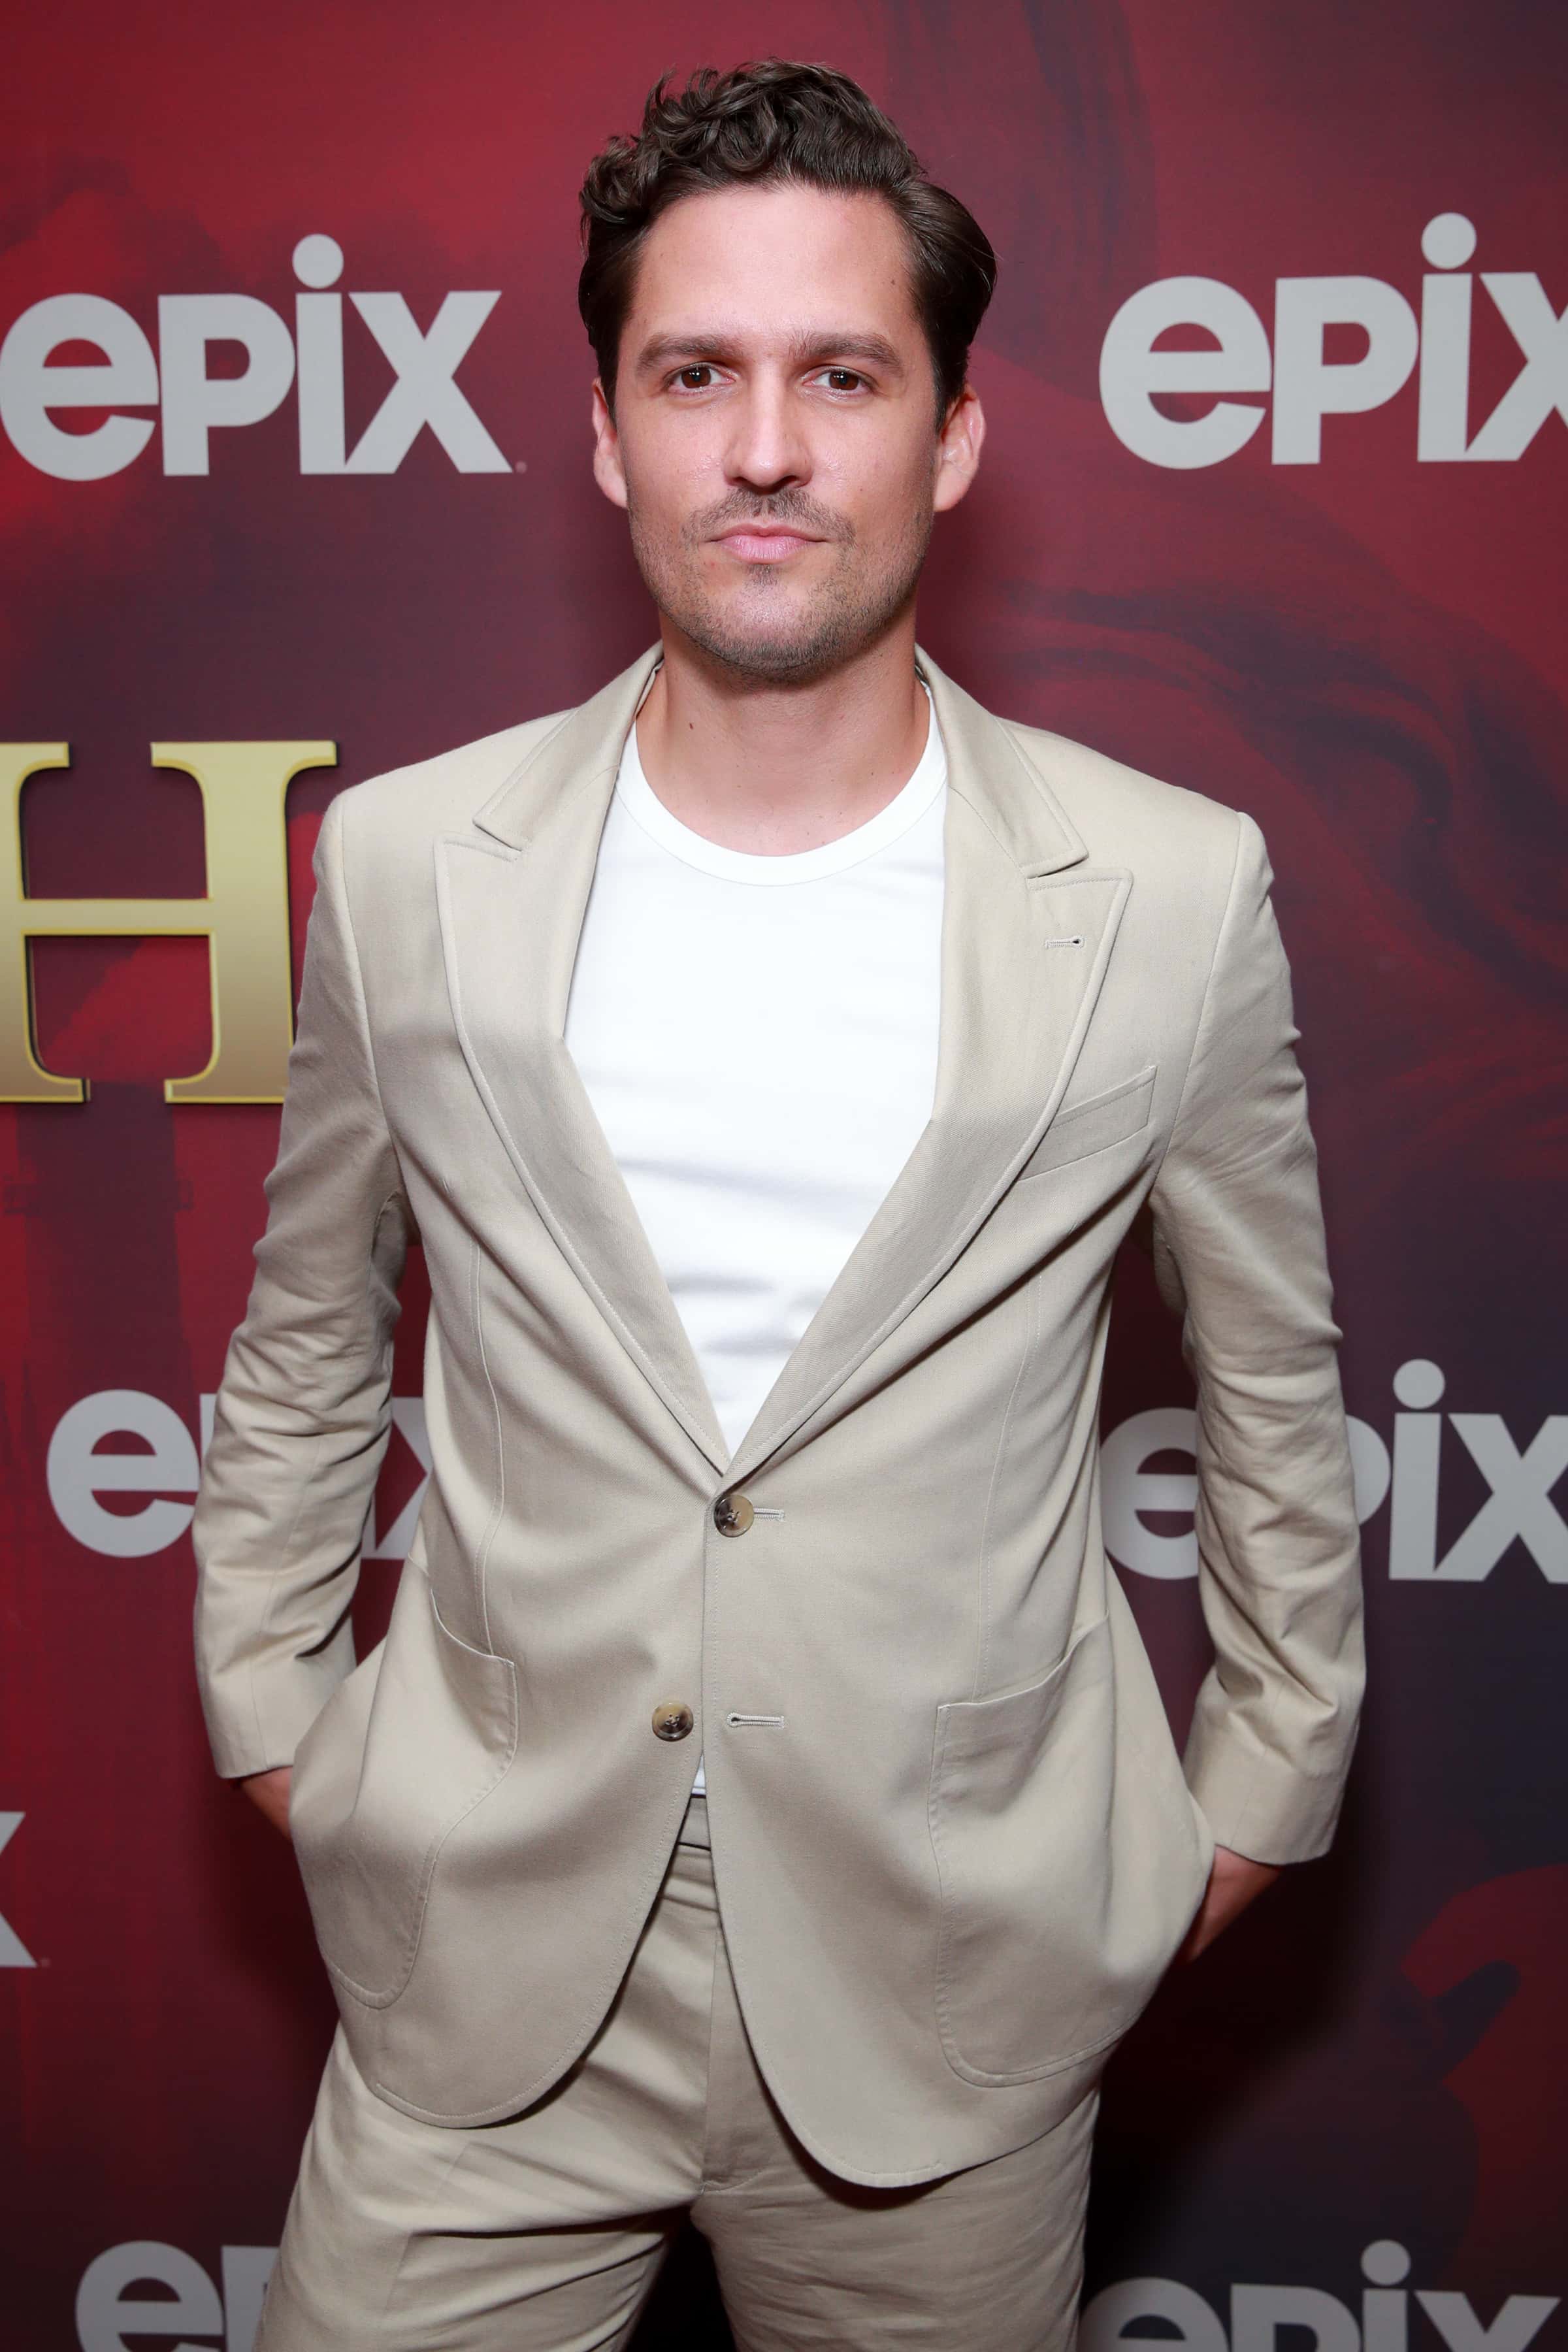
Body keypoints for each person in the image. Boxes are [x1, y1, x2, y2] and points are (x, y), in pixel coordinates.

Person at [193, 57, 1364, 2352]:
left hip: (952, 1983)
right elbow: (311, 1325)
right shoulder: (414, 863)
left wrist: (1251, 1795)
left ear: (953, 436)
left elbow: (1273, 1393)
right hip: (483, 1955)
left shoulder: (1165, 888)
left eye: (842, 376)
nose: (763, 447)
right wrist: (271, 1708)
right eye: (693, 374)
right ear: (606, 433)